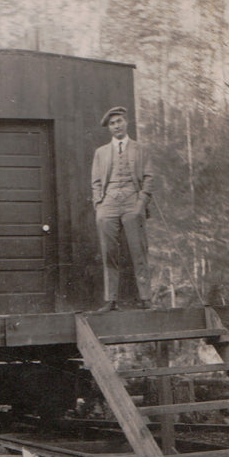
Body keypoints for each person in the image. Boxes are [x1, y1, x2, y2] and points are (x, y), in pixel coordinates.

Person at [91, 106, 153, 312]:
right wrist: (99, 204)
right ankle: (111, 300)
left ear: (126, 122)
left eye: (119, 121)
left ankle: (145, 298)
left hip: (132, 201)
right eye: (112, 123)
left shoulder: (140, 149)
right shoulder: (101, 153)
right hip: (108, 203)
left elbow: (149, 178)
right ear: (109, 128)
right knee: (109, 252)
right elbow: (96, 182)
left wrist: (141, 203)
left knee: (138, 250)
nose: (116, 126)